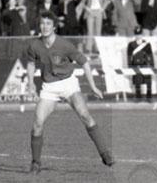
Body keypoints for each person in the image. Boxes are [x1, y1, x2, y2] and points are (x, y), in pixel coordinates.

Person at [26, 11, 114, 174]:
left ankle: (105, 153)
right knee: (37, 123)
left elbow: (84, 62)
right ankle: (35, 163)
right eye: (42, 23)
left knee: (85, 115)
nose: (44, 27)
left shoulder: (64, 45)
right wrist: (30, 83)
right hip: (49, 87)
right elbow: (31, 64)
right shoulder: (34, 45)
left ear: (54, 27)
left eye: (48, 24)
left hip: (68, 84)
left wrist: (93, 86)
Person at [127, 26, 154, 101]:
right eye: (137, 34)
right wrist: (130, 66)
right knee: (137, 81)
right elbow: (129, 56)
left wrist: (152, 65)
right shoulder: (131, 45)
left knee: (148, 81)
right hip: (136, 65)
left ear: (142, 34)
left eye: (139, 34)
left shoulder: (147, 44)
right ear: (135, 35)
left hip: (145, 65)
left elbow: (150, 55)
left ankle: (149, 97)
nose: (138, 36)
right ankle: (138, 96)